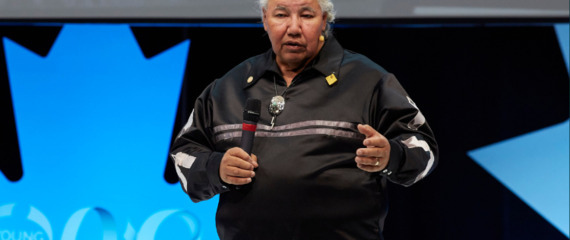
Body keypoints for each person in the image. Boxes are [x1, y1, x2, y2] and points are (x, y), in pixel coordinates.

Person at [170, 0, 438, 239]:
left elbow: (424, 149)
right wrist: (217, 169)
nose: (294, 28)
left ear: (324, 20)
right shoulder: (228, 87)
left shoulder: (368, 80)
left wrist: (391, 156)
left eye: (307, 15)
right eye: (281, 14)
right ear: (265, 19)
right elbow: (183, 157)